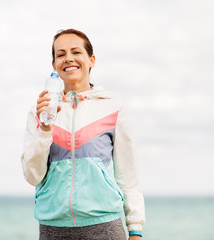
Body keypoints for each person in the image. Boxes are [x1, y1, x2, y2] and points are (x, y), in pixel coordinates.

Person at [21, 29, 145, 240]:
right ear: (54, 66)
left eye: (76, 52)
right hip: (53, 227)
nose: (68, 58)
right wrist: (45, 128)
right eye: (60, 54)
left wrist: (135, 230)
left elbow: (128, 176)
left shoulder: (112, 108)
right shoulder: (39, 111)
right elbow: (33, 176)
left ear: (91, 60)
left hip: (104, 226)